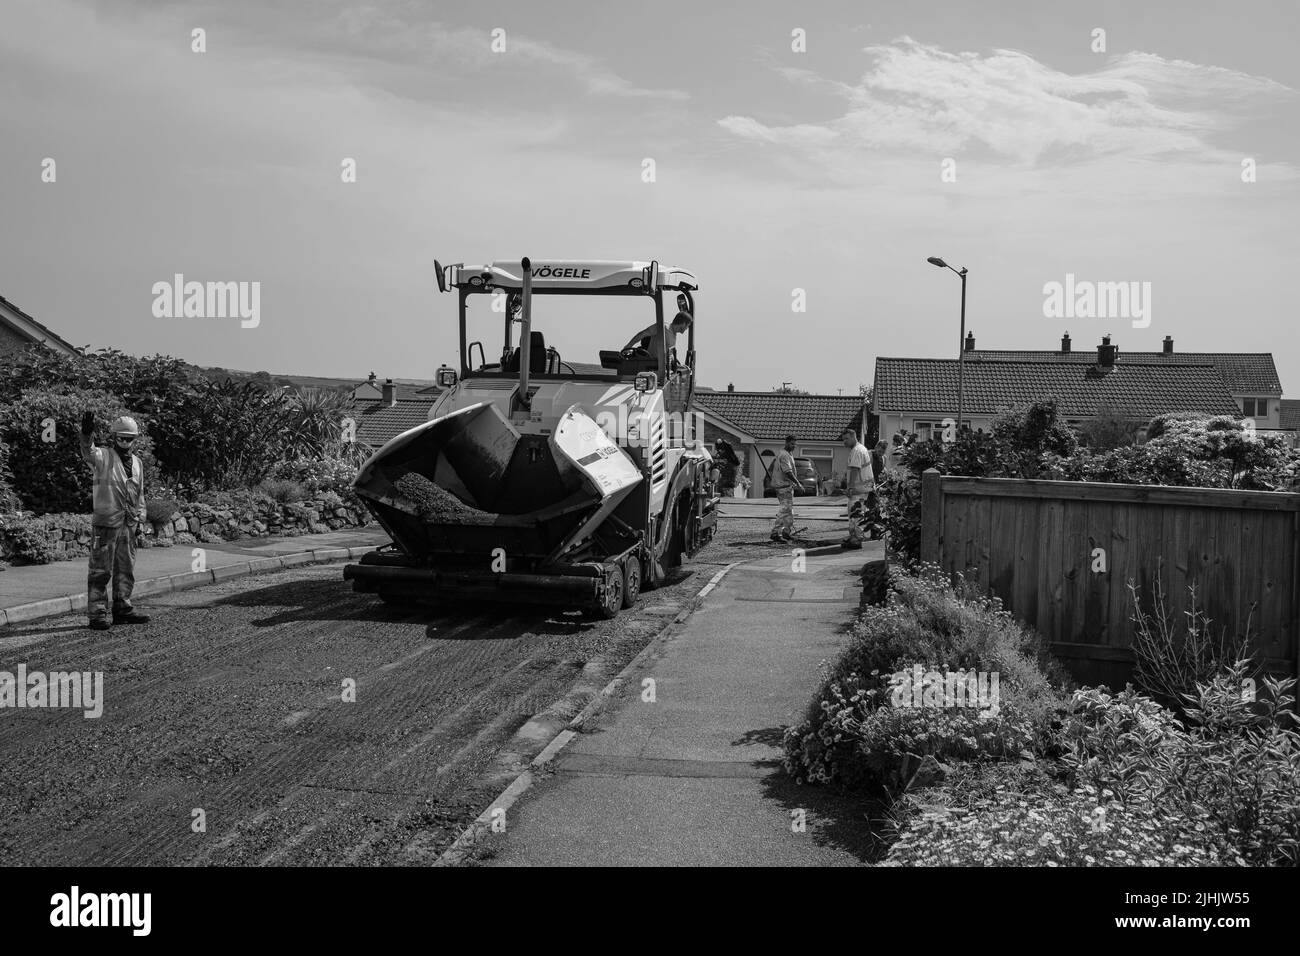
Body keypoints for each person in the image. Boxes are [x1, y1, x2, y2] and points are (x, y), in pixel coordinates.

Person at [79, 412, 150, 631]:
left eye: (129, 439)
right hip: (106, 523)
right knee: (100, 571)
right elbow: (87, 451)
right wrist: (86, 433)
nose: (125, 442)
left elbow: (139, 495)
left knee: (125, 569)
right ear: (114, 437)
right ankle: (98, 615)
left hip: (128, 524)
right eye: (121, 438)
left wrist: (141, 521)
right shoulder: (102, 456)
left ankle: (123, 609)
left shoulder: (137, 463)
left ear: (134, 440)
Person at [841, 428, 874, 549]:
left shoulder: (856, 451)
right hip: (863, 488)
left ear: (853, 437)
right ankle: (854, 538)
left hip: (858, 488)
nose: (844, 442)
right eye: (843, 439)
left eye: (846, 439)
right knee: (857, 513)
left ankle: (856, 540)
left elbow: (855, 469)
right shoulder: (860, 449)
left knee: (855, 514)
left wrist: (849, 487)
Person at [770, 435, 798, 542]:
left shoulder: (787, 454)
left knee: (789, 510)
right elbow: (788, 472)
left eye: (795, 444)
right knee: (785, 509)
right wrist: (798, 483)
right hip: (783, 486)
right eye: (792, 444)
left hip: (786, 486)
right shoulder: (784, 455)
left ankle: (786, 532)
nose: (793, 446)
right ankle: (775, 532)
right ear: (786, 443)